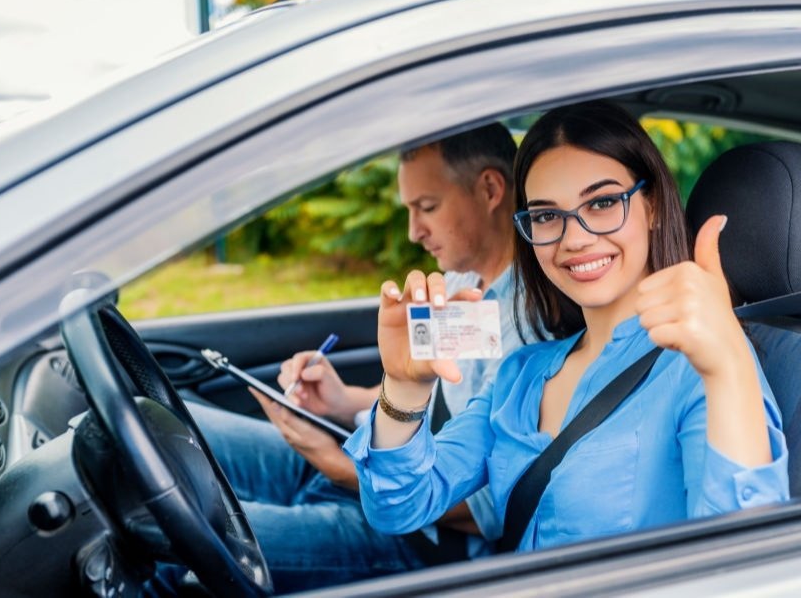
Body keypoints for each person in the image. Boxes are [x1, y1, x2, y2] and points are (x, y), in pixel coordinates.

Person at [346, 102, 790, 551]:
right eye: (545, 215)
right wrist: (403, 386)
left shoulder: (705, 366)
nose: (573, 238)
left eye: (601, 203)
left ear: (651, 205)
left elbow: (743, 564)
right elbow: (398, 507)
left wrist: (728, 364)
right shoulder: (520, 375)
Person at [148, 123, 526, 594]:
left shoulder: (527, 328)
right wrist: (342, 401)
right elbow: (427, 401)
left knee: (168, 551)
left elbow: (485, 509)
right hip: (367, 463)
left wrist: (334, 465)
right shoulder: (457, 285)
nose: (413, 232)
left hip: (420, 539)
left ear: (490, 189)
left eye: (427, 207)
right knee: (168, 430)